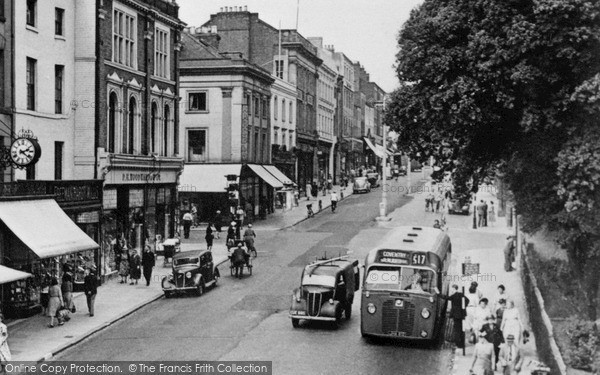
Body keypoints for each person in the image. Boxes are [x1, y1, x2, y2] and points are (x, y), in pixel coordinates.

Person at [445, 284, 469, 348]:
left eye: (452, 289)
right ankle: (462, 344)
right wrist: (463, 307)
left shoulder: (453, 296)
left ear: (454, 289)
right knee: (461, 330)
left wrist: (438, 294)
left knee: (457, 330)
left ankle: (458, 344)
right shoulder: (461, 294)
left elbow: (446, 298)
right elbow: (467, 300)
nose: (451, 291)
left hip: (456, 315)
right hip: (462, 315)